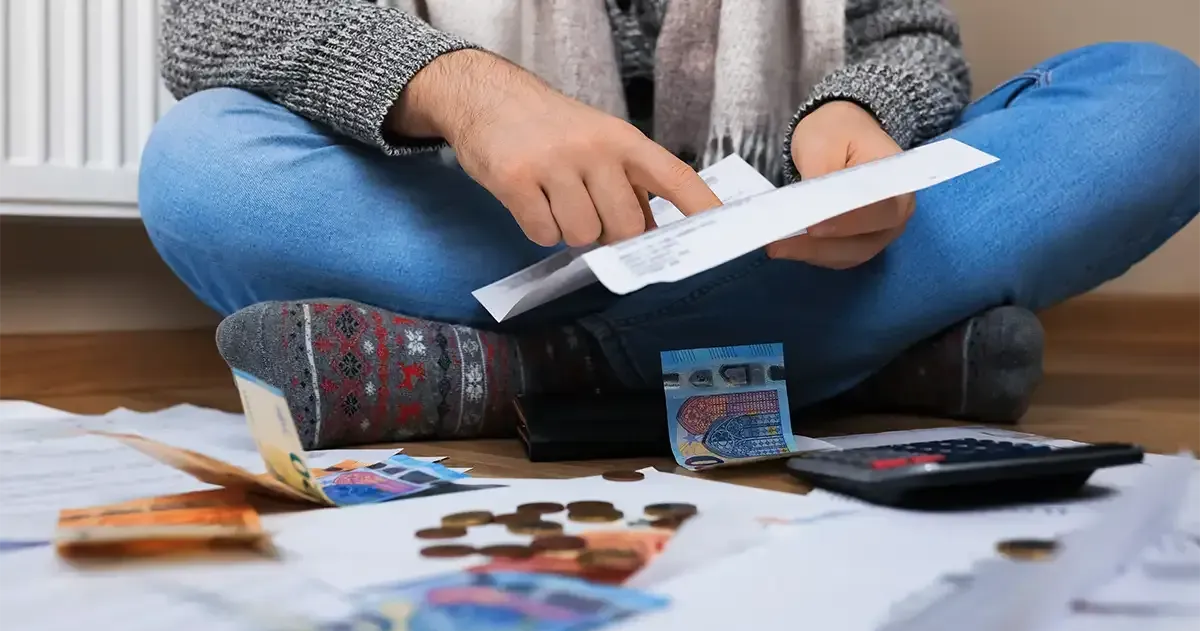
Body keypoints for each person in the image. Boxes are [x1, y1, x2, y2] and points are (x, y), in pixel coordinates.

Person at [140, 0, 1200, 450]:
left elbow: (910, 33)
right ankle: (853, 366)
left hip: (788, 234)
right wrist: (465, 92)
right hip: (498, 230)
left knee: (1160, 102)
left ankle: (506, 376)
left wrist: (856, 113)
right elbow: (210, 22)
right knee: (203, 164)